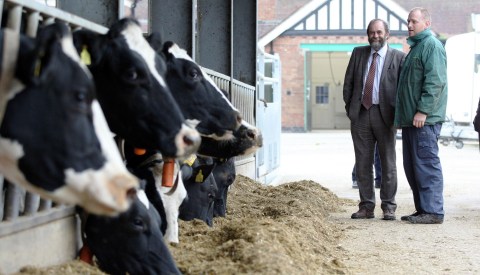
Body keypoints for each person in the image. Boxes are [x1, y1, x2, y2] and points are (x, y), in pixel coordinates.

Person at [343, 19, 405, 220]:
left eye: (379, 32)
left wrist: (399, 115)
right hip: (360, 114)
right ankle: (366, 206)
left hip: (385, 115)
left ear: (387, 34)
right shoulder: (358, 53)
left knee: (388, 162)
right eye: (371, 33)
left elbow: (402, 91)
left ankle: (388, 206)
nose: (375, 36)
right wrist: (350, 109)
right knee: (362, 162)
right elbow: (348, 84)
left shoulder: (399, 58)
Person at [395, 7, 448, 224]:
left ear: (427, 23)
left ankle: (434, 211)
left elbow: (435, 82)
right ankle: (423, 209)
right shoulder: (417, 48)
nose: (409, 25)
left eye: (414, 21)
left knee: (426, 164)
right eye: (408, 21)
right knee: (413, 167)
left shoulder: (431, 46)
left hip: (423, 120)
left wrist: (423, 111)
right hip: (412, 121)